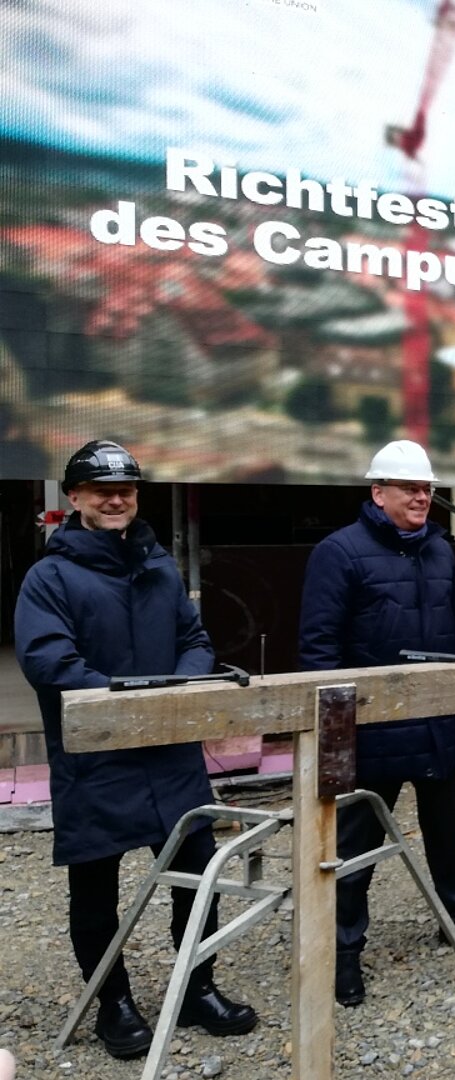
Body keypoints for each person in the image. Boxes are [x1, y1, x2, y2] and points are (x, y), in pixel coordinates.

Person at [14, 440, 256, 1060]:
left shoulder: (158, 565)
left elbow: (194, 639)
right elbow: (49, 660)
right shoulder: (50, 577)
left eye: (125, 489)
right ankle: (112, 1003)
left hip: (170, 753)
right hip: (96, 760)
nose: (116, 499)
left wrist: (178, 689)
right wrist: (127, 708)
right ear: (75, 498)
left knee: (198, 873)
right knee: (95, 887)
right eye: (101, 491)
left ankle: (197, 983)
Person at [298, 439, 455, 1008]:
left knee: (445, 828)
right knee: (356, 840)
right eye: (410, 489)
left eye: (428, 489)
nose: (422, 498)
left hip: (436, 719)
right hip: (371, 731)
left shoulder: (441, 551)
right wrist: (336, 727)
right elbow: (318, 650)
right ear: (378, 492)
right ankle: (344, 951)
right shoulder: (338, 554)